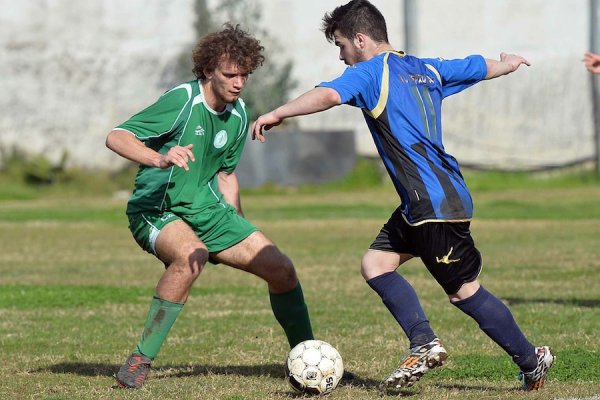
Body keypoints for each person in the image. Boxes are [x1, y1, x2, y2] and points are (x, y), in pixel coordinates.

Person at [252, 0, 554, 392]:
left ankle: (527, 360)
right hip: (427, 202)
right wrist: (507, 64)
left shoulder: (369, 72)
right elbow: (477, 66)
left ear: (361, 40)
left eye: (341, 45)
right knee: (376, 264)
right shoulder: (426, 68)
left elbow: (328, 95)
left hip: (433, 205)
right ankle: (425, 340)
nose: (341, 57)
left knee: (464, 291)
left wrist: (278, 113)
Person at [106, 23, 314, 389]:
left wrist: (240, 226)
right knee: (192, 255)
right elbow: (117, 136)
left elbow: (226, 176)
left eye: (244, 75)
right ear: (207, 70)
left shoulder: (239, 114)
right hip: (156, 210)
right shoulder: (182, 101)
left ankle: (308, 358)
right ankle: (139, 361)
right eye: (230, 75)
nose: (238, 83)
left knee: (281, 269)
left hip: (206, 211)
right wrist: (159, 158)